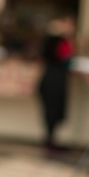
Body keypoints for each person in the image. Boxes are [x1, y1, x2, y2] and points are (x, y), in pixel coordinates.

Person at [37, 13, 75, 156]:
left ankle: (51, 140)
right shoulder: (55, 40)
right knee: (51, 111)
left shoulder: (62, 40)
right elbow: (64, 58)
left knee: (55, 111)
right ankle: (50, 140)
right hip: (53, 79)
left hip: (56, 78)